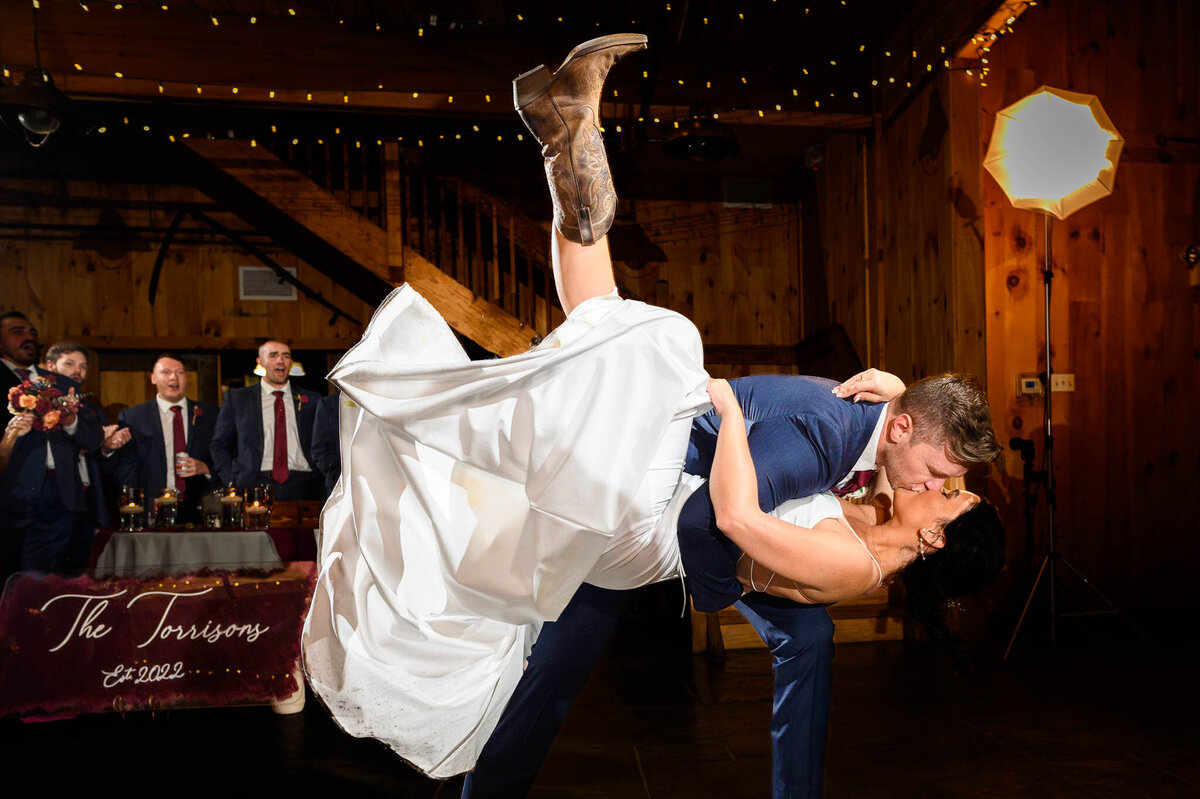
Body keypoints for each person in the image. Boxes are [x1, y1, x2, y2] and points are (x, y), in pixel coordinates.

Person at [302, 34, 1004, 795]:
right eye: (943, 474)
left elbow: (845, 472)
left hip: (663, 484)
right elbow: (713, 521)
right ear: (901, 427)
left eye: (949, 486)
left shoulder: (875, 452)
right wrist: (715, 592)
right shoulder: (827, 440)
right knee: (594, 329)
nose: (938, 482)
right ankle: (568, 135)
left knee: (597, 317)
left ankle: (567, 139)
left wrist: (891, 405)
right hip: (651, 487)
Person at [0, 312, 102, 584]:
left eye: (32, 333)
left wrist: (71, 422)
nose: (28, 338)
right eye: (17, 332)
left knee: (50, 584)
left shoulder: (63, 384)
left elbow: (93, 439)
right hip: (9, 493)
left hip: (60, 495)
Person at [42, 341, 125, 568]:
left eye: (83, 366)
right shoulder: (38, 405)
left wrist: (107, 447)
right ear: (49, 365)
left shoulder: (92, 411)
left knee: (80, 576)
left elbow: (103, 464)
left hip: (86, 502)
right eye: (69, 364)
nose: (77, 371)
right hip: (50, 500)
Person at [210, 340, 323, 501]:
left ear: (291, 362)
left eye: (286, 356)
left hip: (306, 486)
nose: (280, 361)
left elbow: (323, 444)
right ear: (260, 362)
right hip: (254, 485)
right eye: (273, 355)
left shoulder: (312, 400)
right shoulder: (237, 399)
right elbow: (219, 445)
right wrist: (231, 479)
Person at [114, 354, 219, 525]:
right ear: (153, 378)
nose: (174, 377)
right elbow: (125, 468)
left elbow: (228, 456)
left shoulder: (211, 415)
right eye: (166, 372)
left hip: (200, 507)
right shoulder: (132, 417)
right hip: (152, 507)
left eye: (180, 372)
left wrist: (206, 467)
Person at [309, 391, 342, 497]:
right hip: (339, 485)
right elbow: (319, 450)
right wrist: (335, 471)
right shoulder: (328, 405)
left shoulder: (377, 403)